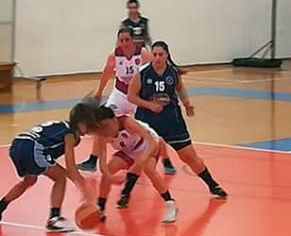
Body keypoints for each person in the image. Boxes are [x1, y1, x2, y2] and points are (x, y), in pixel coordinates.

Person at [128, 41, 227, 199]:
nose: (157, 57)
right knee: (144, 160)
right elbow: (131, 96)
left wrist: (187, 103)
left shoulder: (173, 72)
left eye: (160, 54)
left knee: (189, 156)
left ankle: (213, 186)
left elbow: (180, 88)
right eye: (155, 54)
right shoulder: (143, 74)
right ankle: (126, 193)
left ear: (167, 55)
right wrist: (149, 105)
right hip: (148, 120)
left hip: (171, 119)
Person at [79, 29, 176, 175]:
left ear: (132, 40)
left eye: (127, 40)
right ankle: (92, 160)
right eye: (121, 40)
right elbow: (106, 73)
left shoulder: (143, 54)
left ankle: (166, 160)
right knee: (101, 121)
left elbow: (157, 66)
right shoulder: (114, 56)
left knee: (152, 127)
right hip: (120, 94)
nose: (124, 43)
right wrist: (99, 91)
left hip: (137, 96)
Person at [0, 101, 100, 232]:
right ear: (82, 123)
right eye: (89, 125)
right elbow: (70, 165)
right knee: (60, 178)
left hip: (17, 145)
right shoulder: (70, 134)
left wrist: (78, 182)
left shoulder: (61, 125)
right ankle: (54, 218)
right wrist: (83, 186)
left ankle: (1, 206)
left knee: (29, 180)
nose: (90, 129)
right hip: (32, 148)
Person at [91, 104, 177, 223]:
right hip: (129, 150)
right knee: (109, 169)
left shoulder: (127, 122)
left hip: (147, 144)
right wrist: (110, 177)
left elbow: (152, 141)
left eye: (106, 125)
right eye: (101, 127)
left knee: (148, 169)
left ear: (114, 120)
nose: (105, 130)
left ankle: (170, 203)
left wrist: (143, 157)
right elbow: (103, 165)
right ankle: (100, 207)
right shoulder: (101, 135)